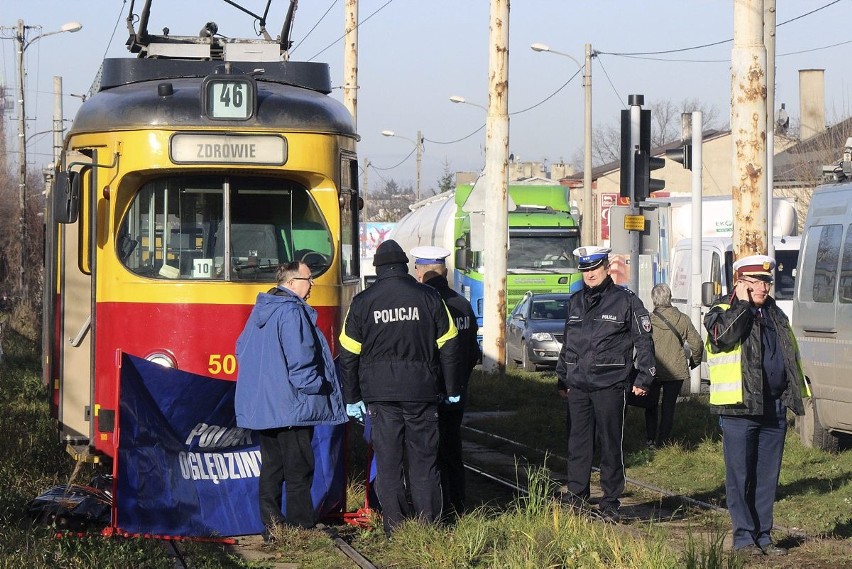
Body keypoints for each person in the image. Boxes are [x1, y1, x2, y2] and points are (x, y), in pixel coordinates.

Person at [338, 239, 460, 535]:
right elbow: (450, 345)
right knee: (424, 461)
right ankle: (428, 525)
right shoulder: (429, 298)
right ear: (405, 266)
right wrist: (452, 387)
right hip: (422, 393)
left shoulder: (363, 302)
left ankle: (395, 526)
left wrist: (352, 397)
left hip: (380, 398)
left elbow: (347, 353)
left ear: (378, 268)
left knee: (389, 462)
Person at [704, 254, 809, 557]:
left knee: (766, 478)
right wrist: (742, 305)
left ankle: (764, 537)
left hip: (773, 407)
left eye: (766, 282)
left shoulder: (775, 313)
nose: (764, 288)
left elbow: (788, 355)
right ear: (740, 283)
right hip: (739, 409)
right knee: (740, 477)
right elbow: (725, 336)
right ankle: (743, 539)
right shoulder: (721, 312)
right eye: (757, 283)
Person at [235, 261, 346, 535]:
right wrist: (317, 387)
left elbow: (241, 349)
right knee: (299, 466)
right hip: (292, 405)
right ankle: (301, 524)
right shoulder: (292, 312)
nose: (311, 286)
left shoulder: (262, 310)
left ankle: (272, 524)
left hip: (267, 407)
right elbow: (302, 359)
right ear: (293, 282)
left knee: (272, 467)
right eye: (309, 279)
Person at [555, 246, 656, 518]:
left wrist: (644, 376)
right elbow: (569, 345)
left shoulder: (626, 301)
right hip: (578, 385)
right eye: (585, 270)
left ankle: (610, 500)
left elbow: (643, 341)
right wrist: (562, 377)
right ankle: (576, 495)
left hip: (610, 384)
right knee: (578, 444)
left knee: (611, 444)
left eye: (594, 268)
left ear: (606, 268)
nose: (589, 274)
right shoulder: (575, 301)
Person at [411, 245, 481, 518]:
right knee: (453, 449)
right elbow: (473, 351)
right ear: (445, 271)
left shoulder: (424, 305)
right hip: (457, 392)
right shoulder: (462, 304)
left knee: (428, 454)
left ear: (420, 273)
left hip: (429, 392)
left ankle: (434, 509)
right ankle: (458, 504)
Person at [646, 283, 703, 447]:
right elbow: (697, 343)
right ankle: (663, 441)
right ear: (670, 297)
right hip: (676, 370)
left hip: (652, 369)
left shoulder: (648, 320)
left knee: (651, 405)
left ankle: (650, 438)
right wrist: (695, 360)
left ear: (653, 299)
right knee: (668, 407)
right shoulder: (683, 319)